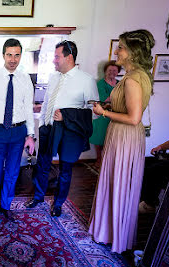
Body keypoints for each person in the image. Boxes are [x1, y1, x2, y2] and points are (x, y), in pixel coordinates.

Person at [88, 29, 155, 253]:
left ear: (133, 52)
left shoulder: (133, 79)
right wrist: (108, 105)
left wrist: (103, 112)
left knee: (118, 182)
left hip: (125, 136)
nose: (117, 51)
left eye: (121, 47)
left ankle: (113, 234)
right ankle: (111, 231)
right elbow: (127, 107)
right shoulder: (134, 76)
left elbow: (134, 118)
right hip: (123, 135)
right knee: (118, 182)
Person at [26, 40, 98, 217]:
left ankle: (58, 203)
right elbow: (46, 104)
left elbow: (94, 112)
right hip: (48, 129)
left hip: (69, 132)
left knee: (65, 170)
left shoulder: (86, 80)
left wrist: (67, 116)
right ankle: (38, 197)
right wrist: (42, 124)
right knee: (42, 165)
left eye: (57, 57)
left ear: (69, 57)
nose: (54, 61)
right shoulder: (53, 77)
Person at [0, 38, 35, 230]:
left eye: (17, 55)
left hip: (18, 131)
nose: (13, 59)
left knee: (12, 172)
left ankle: (6, 205)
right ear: (3, 55)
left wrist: (30, 134)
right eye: (9, 54)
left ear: (21, 56)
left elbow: (28, 107)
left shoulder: (25, 78)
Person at [89, 61, 121, 168]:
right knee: (99, 139)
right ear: (105, 71)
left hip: (116, 115)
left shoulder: (120, 84)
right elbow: (105, 99)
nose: (112, 72)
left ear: (118, 72)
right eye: (109, 70)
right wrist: (119, 98)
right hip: (102, 115)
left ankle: (107, 162)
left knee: (112, 140)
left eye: (114, 70)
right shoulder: (100, 84)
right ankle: (99, 160)